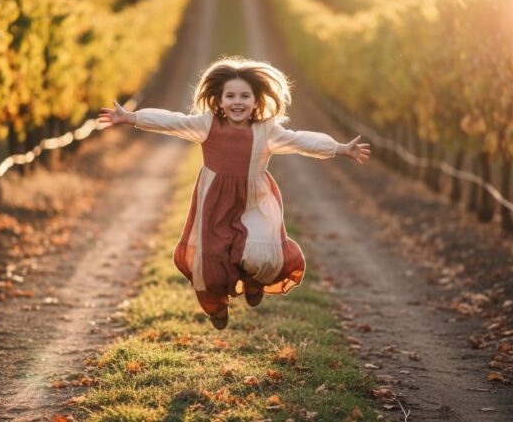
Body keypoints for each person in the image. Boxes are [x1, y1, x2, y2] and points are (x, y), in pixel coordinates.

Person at [97, 57, 370, 330]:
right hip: (214, 202)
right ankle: (217, 306)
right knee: (211, 264)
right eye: (230, 96)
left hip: (254, 200)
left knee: (261, 255)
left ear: (256, 101)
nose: (237, 102)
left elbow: (300, 140)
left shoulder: (265, 131)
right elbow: (172, 122)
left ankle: (254, 282)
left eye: (244, 96)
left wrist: (340, 148)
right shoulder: (207, 125)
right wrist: (132, 117)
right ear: (219, 99)